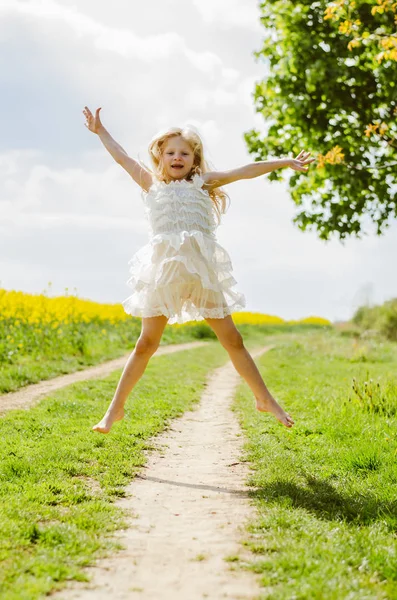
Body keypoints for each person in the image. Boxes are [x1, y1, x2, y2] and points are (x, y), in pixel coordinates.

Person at [82, 106, 314, 434]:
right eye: (171, 152)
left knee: (233, 338)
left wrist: (285, 162)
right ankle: (114, 410)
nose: (178, 157)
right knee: (146, 343)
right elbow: (121, 157)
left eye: (185, 153)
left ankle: (264, 398)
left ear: (194, 159)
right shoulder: (150, 184)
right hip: (164, 274)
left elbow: (246, 170)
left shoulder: (202, 184)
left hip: (201, 274)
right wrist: (100, 132)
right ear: (160, 156)